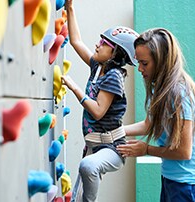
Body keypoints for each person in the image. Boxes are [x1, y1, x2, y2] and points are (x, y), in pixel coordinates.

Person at [117, 28, 195, 201]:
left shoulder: (180, 93)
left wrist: (147, 149)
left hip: (193, 184)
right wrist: (116, 131)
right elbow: (149, 124)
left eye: (145, 63)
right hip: (173, 178)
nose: (140, 69)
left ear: (161, 62)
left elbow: (184, 152)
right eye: (138, 62)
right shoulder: (159, 87)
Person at [61, 0, 139, 201]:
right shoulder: (98, 67)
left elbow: (98, 111)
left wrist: (75, 88)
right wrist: (70, 8)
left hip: (111, 148)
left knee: (88, 166)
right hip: (93, 146)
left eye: (104, 43)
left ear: (115, 53)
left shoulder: (114, 76)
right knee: (80, 187)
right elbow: (77, 42)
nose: (98, 44)